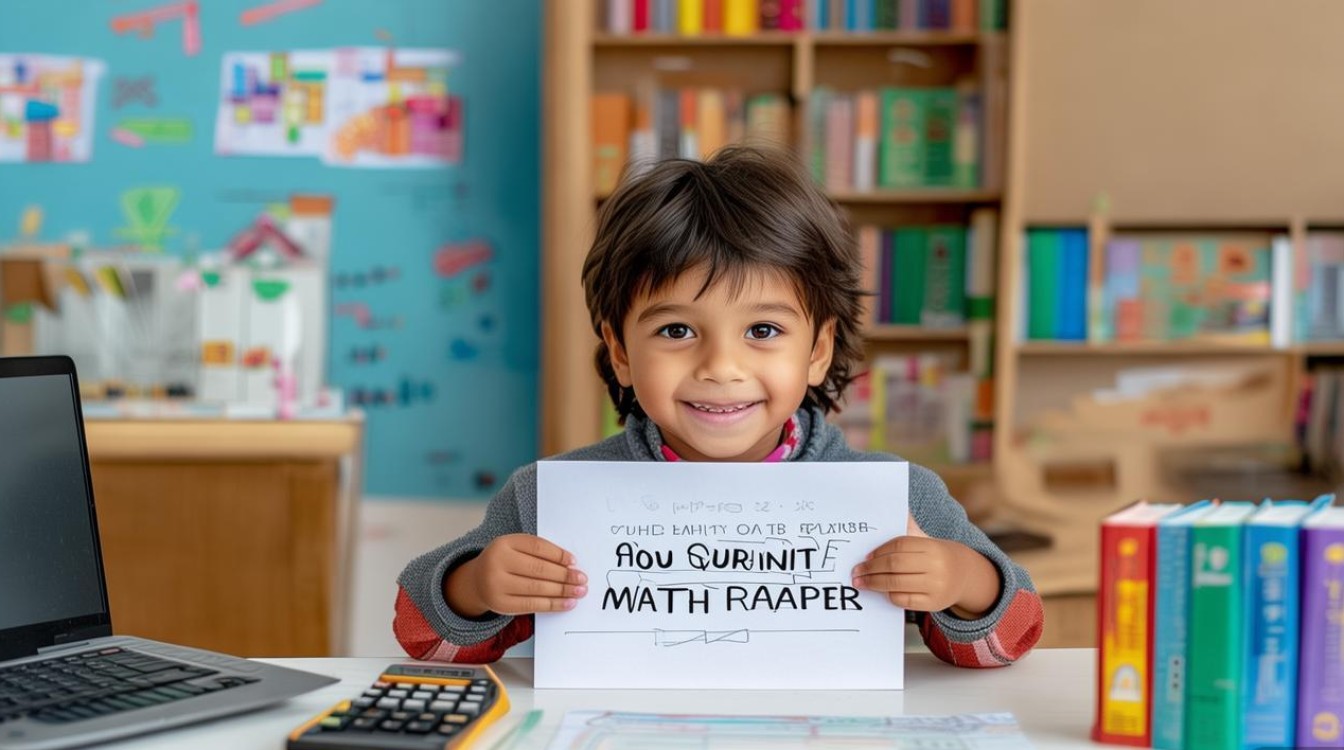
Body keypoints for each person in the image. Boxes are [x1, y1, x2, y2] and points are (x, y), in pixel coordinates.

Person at [394, 146, 1044, 667]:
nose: (721, 368)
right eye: (676, 331)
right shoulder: (547, 500)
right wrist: (475, 588)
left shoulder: (899, 498)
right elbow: (426, 639)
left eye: (763, 331)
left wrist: (962, 581)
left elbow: (1011, 637)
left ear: (818, 350)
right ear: (620, 352)